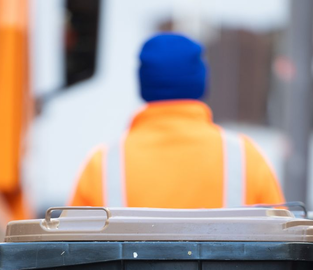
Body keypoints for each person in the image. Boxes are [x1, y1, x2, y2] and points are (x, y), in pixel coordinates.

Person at [70, 32, 284, 209]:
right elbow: (281, 245)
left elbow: (70, 251)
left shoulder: (101, 166)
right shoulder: (246, 158)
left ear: (143, 83)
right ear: (201, 81)